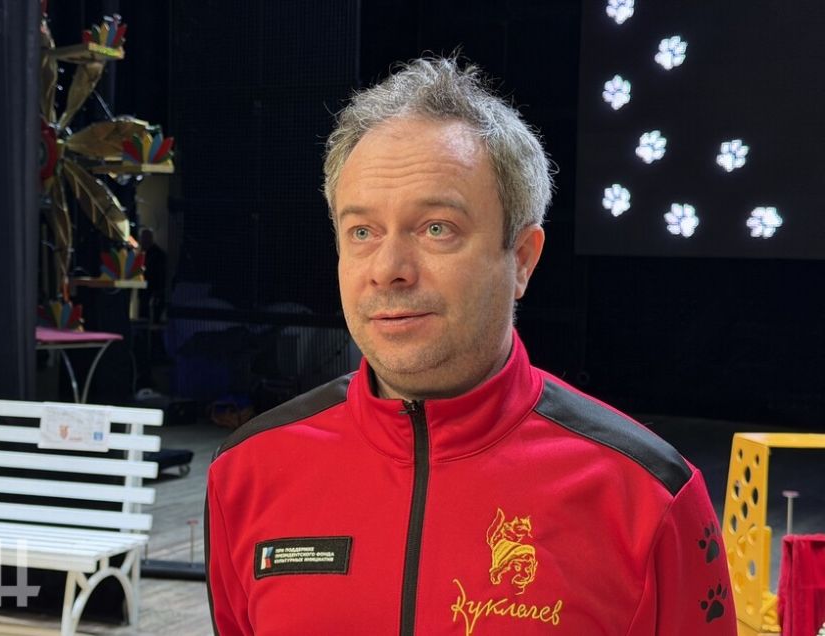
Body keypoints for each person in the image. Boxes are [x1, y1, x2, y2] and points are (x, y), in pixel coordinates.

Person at [205, 56, 736, 635]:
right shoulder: (247, 473)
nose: (388, 268)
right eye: (362, 232)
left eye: (437, 228)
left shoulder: (648, 496)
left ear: (523, 259)